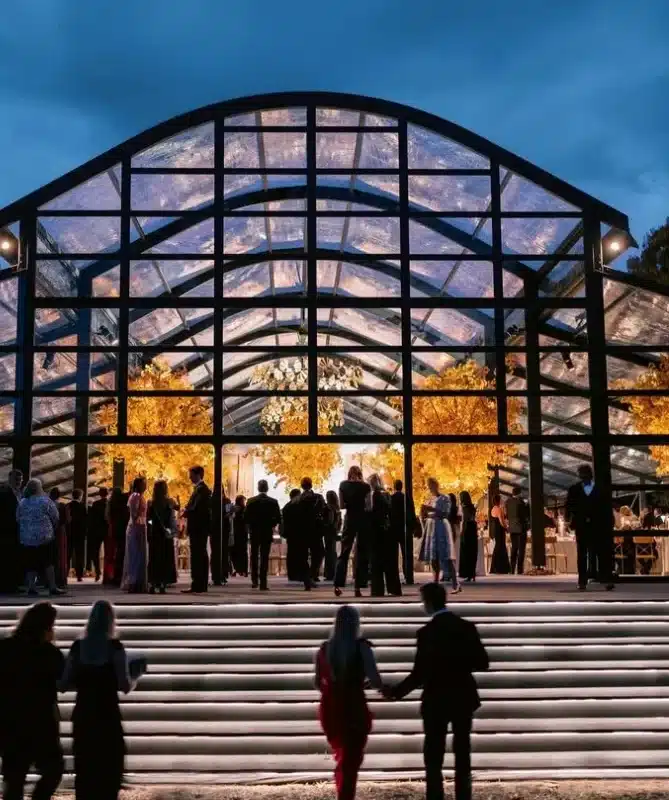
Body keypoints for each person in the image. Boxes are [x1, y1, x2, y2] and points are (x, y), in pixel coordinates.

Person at [387, 582, 489, 800]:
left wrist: (396, 692)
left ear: (429, 602)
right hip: (462, 695)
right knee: (463, 752)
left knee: (433, 755)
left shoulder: (426, 633)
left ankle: (435, 796)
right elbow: (482, 662)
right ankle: (464, 795)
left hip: (436, 698)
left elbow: (418, 674)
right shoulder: (466, 627)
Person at [60, 600, 146, 800]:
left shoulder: (78, 647)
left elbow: (63, 684)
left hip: (83, 714)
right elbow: (124, 685)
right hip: (107, 715)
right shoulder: (115, 648)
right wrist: (137, 675)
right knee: (109, 770)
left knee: (85, 769)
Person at [315, 605, 386, 800]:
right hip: (353, 706)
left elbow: (317, 682)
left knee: (343, 755)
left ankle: (343, 792)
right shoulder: (361, 647)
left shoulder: (324, 649)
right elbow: (375, 679)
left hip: (332, 708)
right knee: (352, 758)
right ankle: (346, 794)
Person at [0, 601, 65, 800]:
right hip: (41, 721)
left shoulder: (6, 647)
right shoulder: (49, 653)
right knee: (53, 770)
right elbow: (63, 682)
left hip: (10, 720)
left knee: (14, 778)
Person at [566, 464, 614, 592]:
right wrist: (570, 522)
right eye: (582, 474)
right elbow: (569, 507)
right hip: (582, 526)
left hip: (597, 526)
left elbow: (606, 509)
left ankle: (605, 579)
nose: (583, 477)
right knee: (583, 554)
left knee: (600, 553)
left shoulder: (600, 489)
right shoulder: (574, 489)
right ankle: (582, 581)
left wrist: (608, 524)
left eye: (584, 474)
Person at [17, 479, 64, 596]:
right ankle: (52, 586)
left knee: (31, 563)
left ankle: (31, 587)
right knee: (48, 562)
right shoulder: (45, 501)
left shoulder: (22, 502)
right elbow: (55, 517)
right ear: (39, 488)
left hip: (27, 538)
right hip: (45, 536)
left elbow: (17, 517)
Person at [334, 466, 371, 598]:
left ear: (349, 474)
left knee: (344, 551)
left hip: (349, 519)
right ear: (360, 474)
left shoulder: (343, 485)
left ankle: (337, 585)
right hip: (362, 520)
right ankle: (358, 587)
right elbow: (369, 506)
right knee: (361, 553)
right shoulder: (366, 487)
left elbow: (342, 506)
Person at [420, 478, 459, 593]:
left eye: (431, 485)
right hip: (432, 528)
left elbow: (445, 513)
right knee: (434, 557)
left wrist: (430, 509)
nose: (430, 488)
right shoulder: (430, 499)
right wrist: (424, 514)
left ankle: (455, 583)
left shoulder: (444, 498)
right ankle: (435, 583)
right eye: (429, 486)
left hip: (441, 528)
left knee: (446, 556)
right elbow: (427, 513)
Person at [368, 474, 401, 597]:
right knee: (390, 563)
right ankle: (394, 588)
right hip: (388, 532)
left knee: (376, 562)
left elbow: (370, 512)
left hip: (376, 531)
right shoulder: (386, 495)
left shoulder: (372, 496)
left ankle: (377, 590)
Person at [244, 479, 281, 591]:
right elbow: (278, 518)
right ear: (267, 488)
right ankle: (263, 583)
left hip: (255, 532)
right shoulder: (273, 502)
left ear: (258, 488)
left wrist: (251, 527)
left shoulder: (251, 501)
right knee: (264, 557)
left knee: (254, 556)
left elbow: (246, 518)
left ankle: (254, 581)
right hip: (266, 532)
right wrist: (271, 524)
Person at [182, 466, 212, 594]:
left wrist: (186, 511)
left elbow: (196, 509)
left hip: (198, 528)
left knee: (198, 556)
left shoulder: (202, 490)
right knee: (200, 555)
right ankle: (200, 584)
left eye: (191, 475)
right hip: (200, 528)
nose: (190, 477)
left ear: (199, 474)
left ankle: (198, 584)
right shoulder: (201, 490)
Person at [295, 477, 327, 590]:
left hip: (303, 531)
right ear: (311, 485)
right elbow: (324, 511)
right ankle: (312, 575)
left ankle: (307, 579)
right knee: (318, 554)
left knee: (304, 556)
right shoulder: (318, 498)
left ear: (302, 486)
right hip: (316, 531)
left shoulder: (298, 500)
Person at [147, 480, 177, 594]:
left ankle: (153, 583)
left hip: (155, 533)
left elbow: (149, 519)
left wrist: (151, 528)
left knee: (154, 558)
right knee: (165, 558)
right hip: (166, 533)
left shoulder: (151, 503)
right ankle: (163, 584)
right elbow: (172, 518)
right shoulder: (169, 502)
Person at [122, 477, 148, 593]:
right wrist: (139, 524)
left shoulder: (139, 496)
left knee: (138, 555)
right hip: (136, 528)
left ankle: (137, 582)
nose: (145, 486)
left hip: (140, 526)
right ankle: (133, 582)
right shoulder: (136, 496)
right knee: (135, 556)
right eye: (144, 484)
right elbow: (134, 514)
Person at [390, 479, 418, 585]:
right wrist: (413, 526)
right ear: (401, 487)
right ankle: (408, 576)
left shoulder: (391, 498)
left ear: (394, 486)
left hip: (394, 529)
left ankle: (395, 576)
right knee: (406, 553)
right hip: (405, 528)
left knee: (394, 554)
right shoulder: (407, 498)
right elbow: (412, 512)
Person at [0, 469, 23, 592]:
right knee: (6, 556)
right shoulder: (3, 492)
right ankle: (6, 584)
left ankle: (13, 584)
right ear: (10, 479)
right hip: (6, 530)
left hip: (17, 530)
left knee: (14, 557)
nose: (18, 481)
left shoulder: (21, 493)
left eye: (20, 479)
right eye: (16, 479)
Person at [505, 487, 529, 575]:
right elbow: (525, 515)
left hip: (512, 528)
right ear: (519, 493)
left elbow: (507, 515)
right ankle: (519, 569)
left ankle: (512, 569)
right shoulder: (521, 502)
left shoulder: (507, 502)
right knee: (521, 549)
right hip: (521, 528)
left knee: (514, 549)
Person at [108, 488, 129, 587]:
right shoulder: (123, 503)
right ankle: (120, 575)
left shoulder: (112, 504)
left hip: (115, 530)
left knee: (117, 553)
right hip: (123, 529)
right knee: (122, 552)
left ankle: (116, 575)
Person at [87, 487, 108, 582]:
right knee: (108, 553)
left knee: (95, 552)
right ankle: (107, 573)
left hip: (96, 531)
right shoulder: (109, 503)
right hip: (107, 531)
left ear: (100, 493)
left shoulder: (95, 504)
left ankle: (98, 571)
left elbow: (91, 519)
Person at [49, 487, 69, 589]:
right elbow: (67, 520)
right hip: (60, 532)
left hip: (48, 531)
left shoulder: (47, 505)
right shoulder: (62, 506)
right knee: (61, 554)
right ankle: (60, 579)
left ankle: (48, 579)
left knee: (50, 555)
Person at [67, 489, 88, 582]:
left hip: (70, 533)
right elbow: (85, 521)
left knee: (68, 554)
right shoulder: (82, 507)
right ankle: (79, 575)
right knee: (79, 555)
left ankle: (65, 573)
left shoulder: (68, 506)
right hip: (80, 534)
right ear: (80, 496)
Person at [281, 488, 302, 581]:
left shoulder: (286, 507)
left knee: (291, 554)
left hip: (290, 533)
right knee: (298, 554)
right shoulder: (298, 506)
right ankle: (297, 573)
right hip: (297, 533)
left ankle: (292, 574)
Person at [458, 492, 479, 583]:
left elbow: (465, 521)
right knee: (472, 553)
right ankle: (472, 574)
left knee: (466, 553)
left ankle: (468, 574)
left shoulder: (465, 508)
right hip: (473, 530)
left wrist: (462, 533)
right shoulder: (472, 508)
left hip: (467, 531)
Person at [489, 494, 510, 575]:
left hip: (495, 530)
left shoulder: (493, 509)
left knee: (498, 546)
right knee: (501, 547)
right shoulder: (499, 509)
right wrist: (506, 528)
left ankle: (495, 567)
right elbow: (501, 521)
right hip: (500, 530)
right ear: (498, 500)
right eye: (501, 499)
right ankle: (502, 568)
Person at [324, 490, 342, 582]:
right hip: (335, 531)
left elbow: (329, 521)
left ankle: (329, 573)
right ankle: (332, 572)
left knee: (329, 552)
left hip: (329, 532)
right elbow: (340, 522)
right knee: (332, 552)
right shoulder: (337, 508)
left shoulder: (329, 508)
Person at [231, 495, 248, 577]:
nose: (243, 502)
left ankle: (240, 569)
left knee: (238, 552)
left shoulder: (239, 509)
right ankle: (241, 570)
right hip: (239, 533)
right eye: (243, 501)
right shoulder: (241, 509)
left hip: (238, 533)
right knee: (241, 552)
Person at [448, 493, 462, 573]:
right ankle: (450, 572)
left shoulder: (450, 509)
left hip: (450, 529)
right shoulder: (456, 508)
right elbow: (459, 520)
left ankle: (449, 572)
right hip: (454, 529)